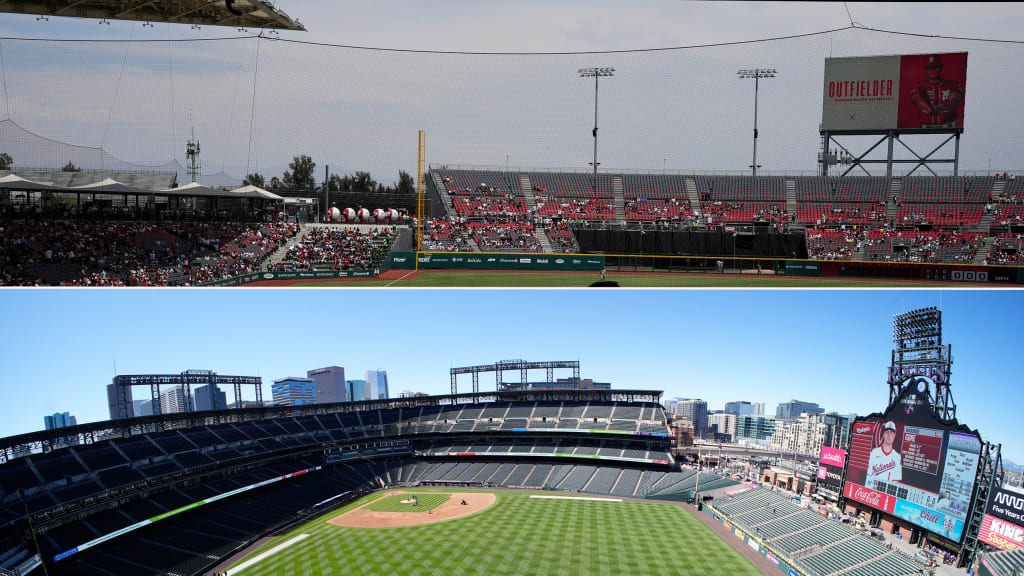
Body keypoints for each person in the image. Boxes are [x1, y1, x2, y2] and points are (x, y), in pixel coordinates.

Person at [909, 55, 964, 129]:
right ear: (924, 69)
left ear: (941, 67)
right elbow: (918, 100)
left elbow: (955, 100)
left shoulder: (953, 85)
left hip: (948, 127)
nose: (932, 70)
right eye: (929, 68)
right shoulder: (918, 86)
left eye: (935, 67)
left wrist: (941, 107)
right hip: (924, 128)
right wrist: (931, 109)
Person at [867, 421, 902, 491]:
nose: (889, 435)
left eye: (891, 432)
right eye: (887, 432)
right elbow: (868, 476)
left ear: (894, 435)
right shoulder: (874, 453)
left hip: (886, 492)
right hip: (872, 490)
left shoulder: (897, 457)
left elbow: (896, 482)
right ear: (883, 434)